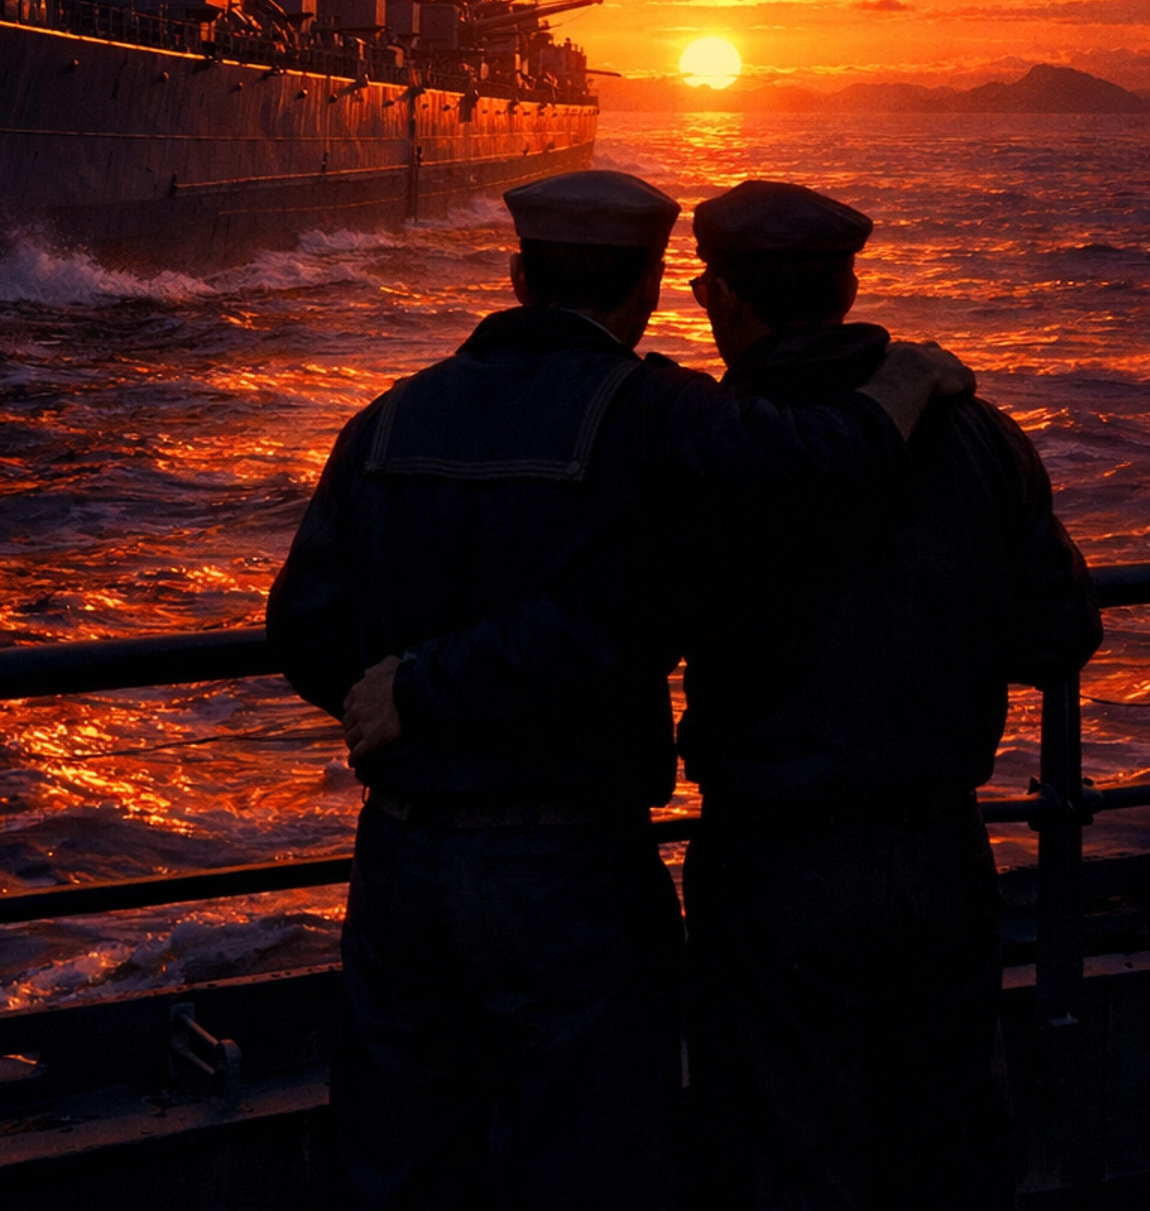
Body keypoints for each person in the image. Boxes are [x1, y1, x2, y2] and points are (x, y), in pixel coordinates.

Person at [267, 168, 969, 1211]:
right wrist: (906, 384)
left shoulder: (388, 417)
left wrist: (392, 705)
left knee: (400, 1157)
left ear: (516, 274)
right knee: (586, 1156)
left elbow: (304, 627)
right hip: (568, 861)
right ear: (647, 287)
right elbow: (823, 465)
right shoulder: (655, 412)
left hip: (404, 854)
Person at [676, 178, 1103, 1211]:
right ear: (849, 284)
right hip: (937, 850)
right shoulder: (980, 434)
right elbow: (1060, 634)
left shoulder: (713, 443)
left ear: (727, 302)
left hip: (772, 855)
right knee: (945, 1134)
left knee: (781, 1145)